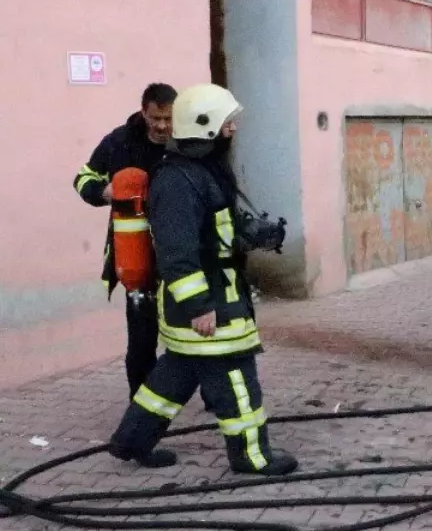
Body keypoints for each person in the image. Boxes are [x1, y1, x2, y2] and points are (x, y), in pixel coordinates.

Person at [108, 83, 297, 475]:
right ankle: (252, 456)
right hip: (205, 304)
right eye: (227, 123)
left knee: (174, 376)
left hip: (206, 299)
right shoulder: (178, 180)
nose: (233, 130)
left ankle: (131, 441)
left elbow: (215, 228)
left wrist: (251, 233)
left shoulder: (202, 172)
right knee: (235, 376)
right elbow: (177, 252)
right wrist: (198, 306)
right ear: (206, 127)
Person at [73, 83, 177, 401]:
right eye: (155, 118)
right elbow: (83, 177)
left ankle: (211, 397)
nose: (161, 126)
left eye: (168, 119)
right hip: (135, 255)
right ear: (143, 111)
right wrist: (103, 192)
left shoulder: (186, 141)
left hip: (179, 251)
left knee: (192, 331)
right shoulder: (119, 142)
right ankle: (141, 405)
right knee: (142, 339)